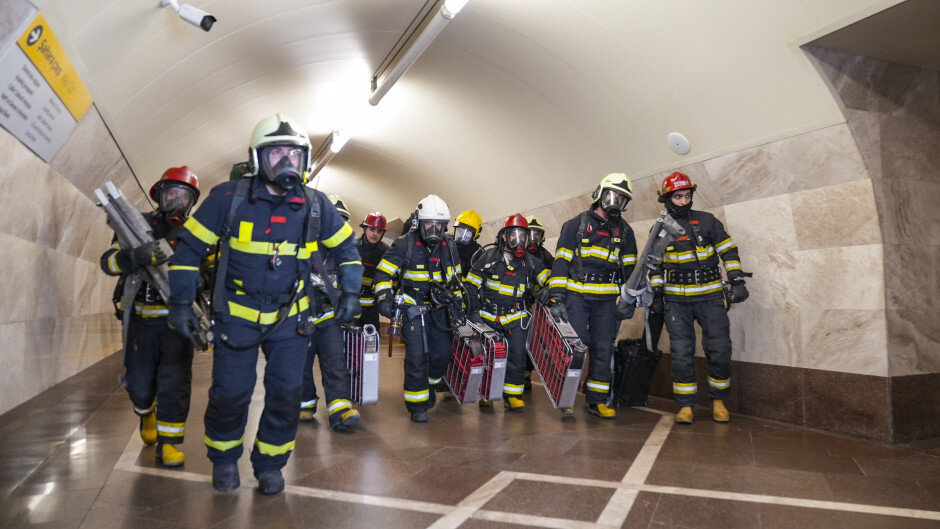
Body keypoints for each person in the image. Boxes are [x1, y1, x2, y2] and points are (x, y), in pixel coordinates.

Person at [167, 113, 362, 494]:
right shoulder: (228, 198)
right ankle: (225, 460)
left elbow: (347, 250)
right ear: (257, 158)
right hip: (236, 318)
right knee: (231, 392)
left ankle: (270, 464)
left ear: (305, 160)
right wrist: (180, 303)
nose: (287, 161)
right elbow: (188, 251)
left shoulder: (316, 205)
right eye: (276, 154)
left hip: (292, 319)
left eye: (294, 154)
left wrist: (352, 292)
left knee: (287, 394)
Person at [100, 166, 200, 468]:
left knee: (175, 383)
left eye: (184, 196)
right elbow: (108, 263)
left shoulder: (196, 233)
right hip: (141, 323)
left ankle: (169, 444)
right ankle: (146, 412)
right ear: (160, 195)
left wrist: (196, 281)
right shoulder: (134, 225)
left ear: (191, 202)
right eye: (172, 194)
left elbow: (210, 271)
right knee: (138, 383)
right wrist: (135, 257)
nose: (177, 201)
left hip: (177, 323)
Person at [649, 172, 748, 425]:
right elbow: (654, 266)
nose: (684, 201)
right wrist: (657, 294)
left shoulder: (707, 221)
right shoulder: (659, 229)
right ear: (667, 199)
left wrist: (736, 279)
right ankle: (685, 406)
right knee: (681, 353)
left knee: (720, 349)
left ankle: (718, 401)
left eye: (687, 195)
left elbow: (728, 250)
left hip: (710, 297)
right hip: (676, 302)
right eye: (678, 197)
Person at [547, 173, 637, 418]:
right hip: (576, 296)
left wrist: (630, 300)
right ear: (600, 194)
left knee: (603, 348)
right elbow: (561, 264)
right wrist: (557, 298)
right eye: (611, 195)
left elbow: (631, 271)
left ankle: (597, 401)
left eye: (621, 198)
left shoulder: (625, 232)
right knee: (575, 347)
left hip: (606, 302)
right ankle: (566, 396)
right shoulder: (575, 225)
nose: (615, 201)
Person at [373, 195, 463, 423]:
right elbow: (383, 273)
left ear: (445, 225)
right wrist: (385, 300)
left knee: (442, 354)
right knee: (416, 358)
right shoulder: (405, 244)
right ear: (419, 222)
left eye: (438, 224)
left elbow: (456, 280)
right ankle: (417, 406)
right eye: (428, 223)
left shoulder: (449, 246)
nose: (434, 229)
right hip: (413, 310)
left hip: (440, 310)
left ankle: (429, 386)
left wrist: (459, 306)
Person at [464, 214, 549, 411]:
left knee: (517, 355)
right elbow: (470, 286)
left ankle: (513, 395)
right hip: (488, 316)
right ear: (504, 236)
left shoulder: (531, 262)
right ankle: (487, 393)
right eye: (514, 235)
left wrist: (548, 288)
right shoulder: (488, 257)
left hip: (516, 317)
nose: (518, 240)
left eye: (523, 236)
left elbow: (549, 279)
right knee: (490, 355)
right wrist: (473, 311)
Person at [298, 195, 362, 431]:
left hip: (328, 318)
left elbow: (349, 281)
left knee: (335, 362)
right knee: (301, 364)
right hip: (302, 318)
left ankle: (340, 411)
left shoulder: (342, 254)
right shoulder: (300, 244)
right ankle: (305, 404)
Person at [358, 212, 389, 328]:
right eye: (372, 229)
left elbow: (396, 276)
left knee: (372, 337)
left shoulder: (387, 252)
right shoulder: (352, 247)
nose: (375, 234)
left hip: (372, 308)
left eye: (379, 231)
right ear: (365, 228)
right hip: (351, 304)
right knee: (350, 337)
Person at [453, 210, 483, 277]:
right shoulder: (446, 245)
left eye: (468, 233)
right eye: (460, 231)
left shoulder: (477, 254)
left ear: (475, 235)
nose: (462, 236)